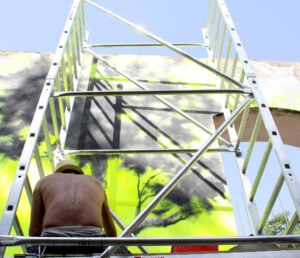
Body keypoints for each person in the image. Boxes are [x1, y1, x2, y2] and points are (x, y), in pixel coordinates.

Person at [28, 159, 120, 255]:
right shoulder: (96, 183)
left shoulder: (43, 182)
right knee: (122, 251)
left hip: (52, 244)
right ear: (79, 172)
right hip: (93, 243)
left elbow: (35, 232)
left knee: (32, 252)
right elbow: (112, 233)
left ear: (57, 173)